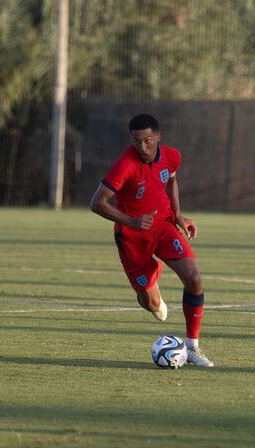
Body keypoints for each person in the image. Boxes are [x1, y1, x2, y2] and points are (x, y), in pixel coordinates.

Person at [90, 114, 213, 367]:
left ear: (158, 136)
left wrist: (178, 215)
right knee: (155, 306)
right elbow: (97, 203)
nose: (142, 148)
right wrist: (132, 221)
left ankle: (192, 346)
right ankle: (147, 291)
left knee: (194, 277)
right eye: (136, 142)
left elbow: (171, 179)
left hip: (163, 227)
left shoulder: (171, 156)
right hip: (132, 238)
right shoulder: (126, 165)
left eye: (147, 140)